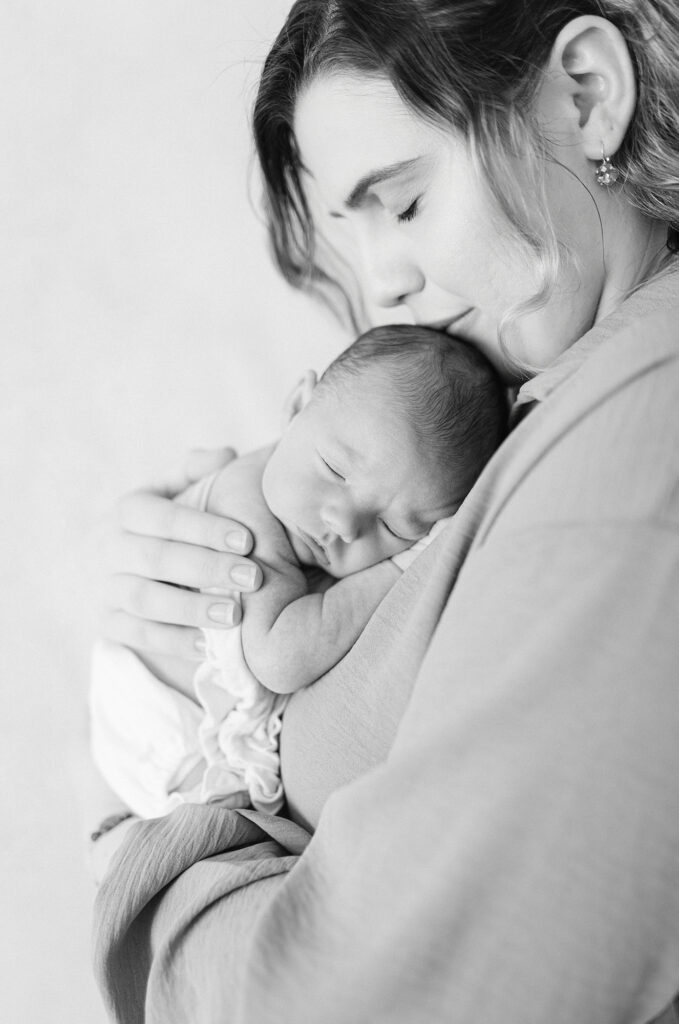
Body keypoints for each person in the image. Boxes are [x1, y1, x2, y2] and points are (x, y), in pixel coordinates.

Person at [91, 2, 679, 1022]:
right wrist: (205, 578)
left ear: (587, 95)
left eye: (401, 204)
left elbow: (381, 999)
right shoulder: (529, 410)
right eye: (344, 236)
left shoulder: (635, 448)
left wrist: (151, 862)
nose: (381, 283)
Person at [89, 324, 506, 820]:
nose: (344, 525)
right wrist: (401, 564)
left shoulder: (305, 509)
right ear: (294, 407)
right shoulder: (244, 508)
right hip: (154, 735)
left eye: (394, 527)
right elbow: (280, 656)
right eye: (335, 469)